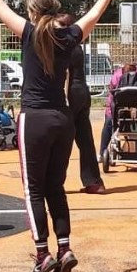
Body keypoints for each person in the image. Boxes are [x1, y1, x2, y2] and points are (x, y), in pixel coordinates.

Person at [0, 0, 127, 272]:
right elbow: (96, 12)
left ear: (33, 12)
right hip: (63, 120)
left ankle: (42, 253)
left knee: (33, 189)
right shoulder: (70, 36)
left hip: (34, 119)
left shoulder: (30, 33)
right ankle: (64, 248)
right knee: (55, 187)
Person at [59, 14, 105, 194]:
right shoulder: (76, 46)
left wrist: (64, 97)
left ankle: (55, 182)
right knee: (85, 139)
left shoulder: (65, 45)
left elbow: (66, 73)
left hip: (71, 92)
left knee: (62, 139)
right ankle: (94, 182)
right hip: (83, 92)